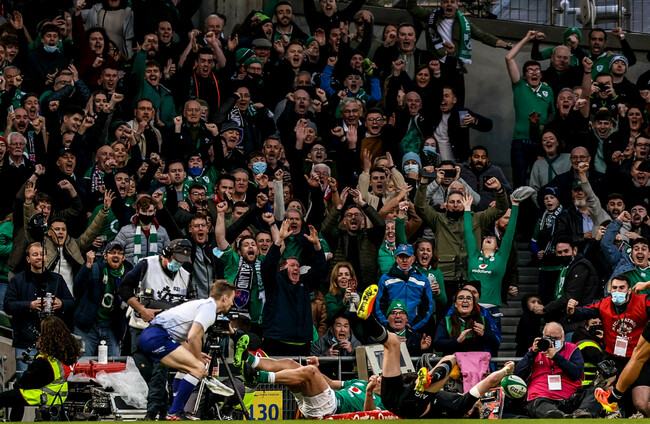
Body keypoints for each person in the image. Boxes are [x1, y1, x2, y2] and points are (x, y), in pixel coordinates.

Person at [354, 294, 514, 418]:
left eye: (478, 403)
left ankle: (431, 377)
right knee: (393, 342)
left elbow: (490, 381)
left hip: (415, 404)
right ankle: (366, 318)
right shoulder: (458, 405)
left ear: (471, 411)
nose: (478, 400)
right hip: (394, 398)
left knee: (451, 359)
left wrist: (507, 370)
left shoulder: (463, 404)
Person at [138, 280, 236, 420]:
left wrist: (195, 354)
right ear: (225, 297)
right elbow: (193, 336)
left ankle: (177, 411)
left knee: (186, 369)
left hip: (150, 336)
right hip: (158, 337)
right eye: (232, 299)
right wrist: (198, 360)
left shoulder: (202, 304)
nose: (232, 303)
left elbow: (179, 336)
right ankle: (175, 411)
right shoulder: (209, 309)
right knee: (198, 369)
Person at [235, 335, 384, 418]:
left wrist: (369, 392)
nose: (378, 380)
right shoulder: (359, 382)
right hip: (321, 397)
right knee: (290, 363)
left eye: (383, 381)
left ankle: (258, 377)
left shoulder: (381, 403)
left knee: (309, 371)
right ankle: (248, 359)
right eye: (380, 377)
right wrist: (317, 370)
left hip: (331, 408)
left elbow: (370, 415)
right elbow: (331, 383)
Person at [568, 275, 650, 415]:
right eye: (615, 288)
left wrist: (647, 284)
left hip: (638, 358)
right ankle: (611, 416)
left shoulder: (643, 302)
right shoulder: (603, 304)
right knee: (606, 386)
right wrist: (572, 311)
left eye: (622, 288)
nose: (618, 291)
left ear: (629, 290)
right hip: (614, 358)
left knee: (641, 403)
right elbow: (583, 312)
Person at [4, 243, 75, 375]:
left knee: (53, 379)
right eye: (35, 254)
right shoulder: (17, 280)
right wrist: (29, 305)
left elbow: (71, 303)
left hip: (53, 342)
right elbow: (8, 305)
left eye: (42, 254)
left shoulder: (57, 279)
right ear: (28, 259)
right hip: (26, 340)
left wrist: (61, 303)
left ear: (47, 257)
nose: (39, 257)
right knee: (25, 380)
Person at [513, 322, 601, 418]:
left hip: (570, 397)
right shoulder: (534, 352)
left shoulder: (572, 349)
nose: (552, 342)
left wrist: (556, 357)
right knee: (538, 404)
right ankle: (554, 414)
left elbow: (576, 374)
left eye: (556, 338)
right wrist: (532, 353)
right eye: (548, 338)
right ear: (542, 337)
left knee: (596, 391)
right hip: (542, 397)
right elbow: (517, 374)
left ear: (563, 337)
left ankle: (582, 412)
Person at [0, 316, 80, 421]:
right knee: (17, 395)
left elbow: (25, 383)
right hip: (59, 395)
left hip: (42, 395)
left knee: (9, 395)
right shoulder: (66, 356)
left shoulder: (45, 361)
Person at [505, 30, 555, 188]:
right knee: (519, 183)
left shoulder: (548, 90)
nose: (534, 73)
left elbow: (552, 115)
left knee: (539, 184)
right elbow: (509, 58)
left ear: (541, 74)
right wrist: (527, 38)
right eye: (530, 71)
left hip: (540, 144)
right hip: (520, 142)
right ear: (524, 76)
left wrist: (540, 125)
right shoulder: (519, 85)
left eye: (537, 70)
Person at [462, 192, 518, 330]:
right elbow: (468, 233)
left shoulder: (501, 258)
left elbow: (509, 233)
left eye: (492, 238)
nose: (489, 238)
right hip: (472, 309)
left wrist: (515, 206)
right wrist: (467, 209)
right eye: (486, 238)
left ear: (498, 247)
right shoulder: (474, 256)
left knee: (492, 343)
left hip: (492, 310)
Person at [73, 240, 133, 357]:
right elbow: (78, 288)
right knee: (82, 363)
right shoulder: (96, 268)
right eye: (112, 252)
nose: (116, 255)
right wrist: (87, 266)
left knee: (115, 363)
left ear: (124, 257)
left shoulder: (128, 276)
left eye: (119, 253)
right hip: (88, 327)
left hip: (112, 328)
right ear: (105, 256)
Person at [375, 244, 433, 333]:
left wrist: (414, 326)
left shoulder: (423, 279)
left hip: (415, 329)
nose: (404, 260)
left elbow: (427, 308)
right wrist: (388, 324)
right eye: (401, 257)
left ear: (413, 259)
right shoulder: (385, 279)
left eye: (407, 257)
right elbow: (380, 306)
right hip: (391, 329)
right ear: (396, 258)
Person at [433, 288, 499, 356]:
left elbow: (495, 345)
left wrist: (484, 334)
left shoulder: (483, 320)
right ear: (455, 304)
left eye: (469, 298)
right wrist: (457, 340)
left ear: (473, 304)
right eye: (461, 298)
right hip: (453, 360)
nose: (465, 301)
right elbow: (437, 345)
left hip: (476, 361)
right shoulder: (446, 320)